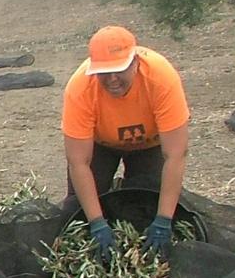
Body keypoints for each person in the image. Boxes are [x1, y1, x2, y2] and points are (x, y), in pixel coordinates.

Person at [61, 25, 190, 259]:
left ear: (135, 62)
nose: (112, 79)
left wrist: (163, 221)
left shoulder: (161, 79)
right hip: (100, 145)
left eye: (119, 69)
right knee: (78, 211)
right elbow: (78, 162)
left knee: (146, 202)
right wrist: (97, 222)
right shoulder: (80, 89)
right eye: (103, 72)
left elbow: (175, 154)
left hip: (148, 145)